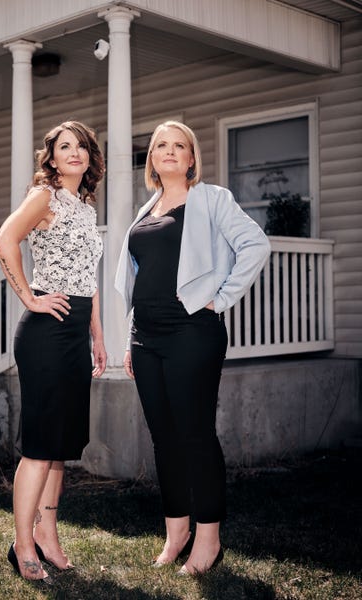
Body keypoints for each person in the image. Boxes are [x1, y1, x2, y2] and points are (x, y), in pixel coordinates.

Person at [115, 121, 271, 576]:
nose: (169, 151)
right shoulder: (146, 210)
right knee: (164, 440)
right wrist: (130, 339)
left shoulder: (211, 199)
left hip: (191, 334)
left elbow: (254, 245)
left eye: (178, 145)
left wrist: (220, 298)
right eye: (160, 144)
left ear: (190, 159)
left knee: (195, 436)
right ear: (152, 160)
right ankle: (176, 533)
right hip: (146, 337)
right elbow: (141, 278)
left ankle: (209, 539)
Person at [0, 120, 107, 583]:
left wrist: (98, 334)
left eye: (82, 145)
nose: (75, 152)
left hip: (77, 333)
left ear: (90, 156)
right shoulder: (46, 197)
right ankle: (22, 545)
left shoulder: (84, 205)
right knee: (41, 447)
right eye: (65, 146)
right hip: (45, 333)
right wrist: (30, 297)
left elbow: (88, 278)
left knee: (60, 448)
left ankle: (48, 536)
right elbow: (4, 240)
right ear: (53, 157)